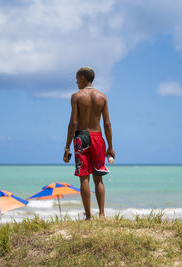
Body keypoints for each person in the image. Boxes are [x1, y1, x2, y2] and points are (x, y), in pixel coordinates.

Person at [63, 66, 115, 220]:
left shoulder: (76, 96)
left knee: (84, 177)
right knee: (98, 177)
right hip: (98, 137)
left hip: (81, 137)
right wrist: (110, 146)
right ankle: (102, 214)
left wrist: (67, 147)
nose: (76, 81)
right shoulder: (102, 97)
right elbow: (107, 124)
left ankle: (88, 216)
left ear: (83, 78)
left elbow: (73, 123)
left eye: (77, 78)